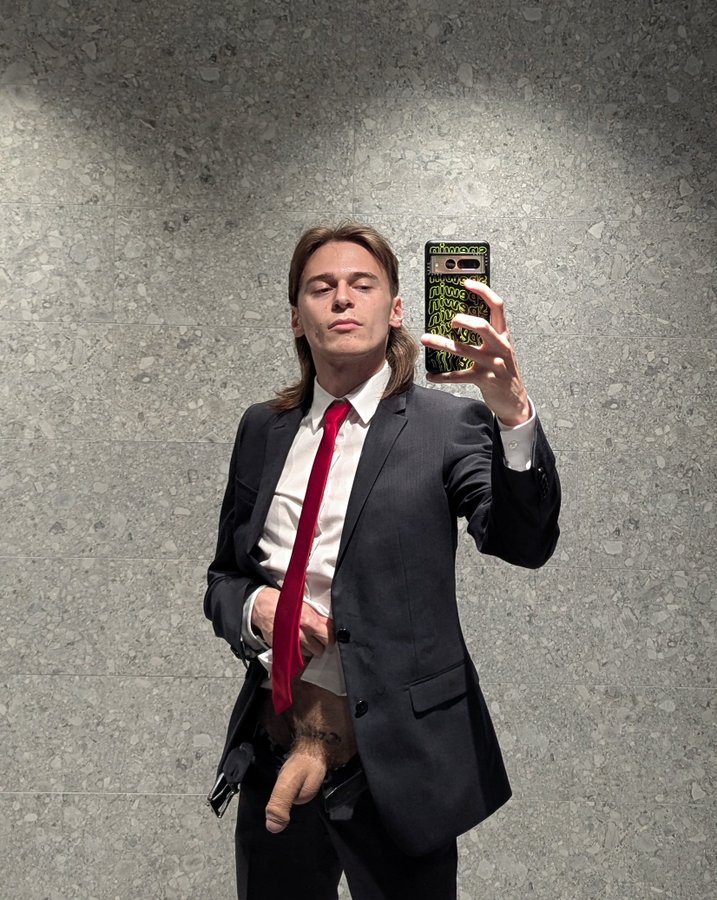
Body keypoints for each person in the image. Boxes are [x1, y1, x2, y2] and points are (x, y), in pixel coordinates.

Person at [204, 223, 560, 900]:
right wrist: (256, 607)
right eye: (321, 287)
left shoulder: (445, 426)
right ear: (296, 318)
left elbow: (523, 542)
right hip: (277, 740)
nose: (342, 298)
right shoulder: (262, 429)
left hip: (396, 764)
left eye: (361, 285)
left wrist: (513, 415)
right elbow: (223, 578)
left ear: (396, 310)